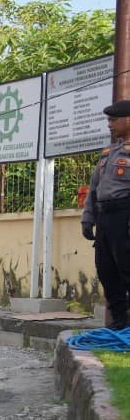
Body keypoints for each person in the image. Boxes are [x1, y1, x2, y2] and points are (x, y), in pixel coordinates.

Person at [82, 99, 130, 329]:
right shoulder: (108, 153)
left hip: (125, 216)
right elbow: (94, 189)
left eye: (113, 120)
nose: (109, 125)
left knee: (127, 269)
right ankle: (119, 324)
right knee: (106, 270)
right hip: (105, 218)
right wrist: (87, 218)